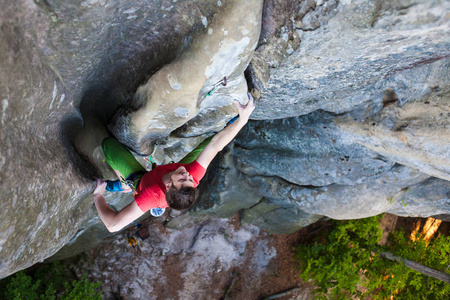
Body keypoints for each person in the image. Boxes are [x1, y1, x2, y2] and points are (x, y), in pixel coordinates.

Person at [93, 93, 255, 232]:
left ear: (169, 186)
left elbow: (113, 225)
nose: (187, 175)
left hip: (141, 181)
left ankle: (125, 186)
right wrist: (243, 119)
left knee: (108, 145)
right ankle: (159, 205)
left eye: (183, 179)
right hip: (166, 179)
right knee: (210, 143)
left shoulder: (150, 195)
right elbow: (215, 145)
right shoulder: (192, 175)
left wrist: (98, 195)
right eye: (190, 180)